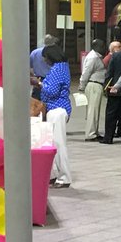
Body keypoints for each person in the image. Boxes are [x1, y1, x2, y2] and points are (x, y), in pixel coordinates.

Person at [40, 44, 73, 187]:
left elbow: (51, 91)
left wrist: (40, 84)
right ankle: (53, 175)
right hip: (57, 109)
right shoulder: (62, 66)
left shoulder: (57, 69)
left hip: (57, 109)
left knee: (58, 144)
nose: (45, 60)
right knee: (51, 143)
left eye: (45, 57)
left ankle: (64, 177)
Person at [102, 39, 121, 144]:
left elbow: (110, 73)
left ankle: (108, 138)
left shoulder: (116, 56)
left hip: (115, 89)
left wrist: (106, 87)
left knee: (111, 114)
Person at [79, 39, 108, 141]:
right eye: (103, 45)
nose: (105, 48)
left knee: (95, 110)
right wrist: (81, 87)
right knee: (93, 111)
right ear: (97, 47)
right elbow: (86, 73)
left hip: (95, 85)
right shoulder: (93, 58)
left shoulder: (95, 56)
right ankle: (91, 134)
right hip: (94, 85)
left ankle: (94, 132)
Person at [30, 33, 59, 100]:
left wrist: (34, 77)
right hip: (51, 80)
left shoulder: (34, 52)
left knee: (37, 103)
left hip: (38, 80)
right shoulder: (55, 53)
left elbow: (29, 67)